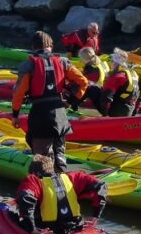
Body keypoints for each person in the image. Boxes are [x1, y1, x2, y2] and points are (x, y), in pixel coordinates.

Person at [12, 31, 89, 172]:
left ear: (33, 47)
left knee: (42, 159)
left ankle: (45, 187)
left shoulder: (28, 65)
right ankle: (63, 183)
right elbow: (83, 82)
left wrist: (15, 115)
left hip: (40, 115)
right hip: (59, 115)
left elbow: (18, 93)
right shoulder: (63, 62)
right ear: (51, 46)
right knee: (60, 155)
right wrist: (72, 100)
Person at [14, 154, 108, 234]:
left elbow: (25, 198)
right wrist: (95, 216)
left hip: (49, 232)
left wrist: (34, 231)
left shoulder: (34, 181)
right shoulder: (74, 177)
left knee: (13, 217)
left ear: (34, 172)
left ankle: (33, 230)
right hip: (76, 226)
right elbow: (101, 185)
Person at [94, 50, 140, 117]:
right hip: (128, 111)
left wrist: (105, 114)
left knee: (93, 89)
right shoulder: (133, 74)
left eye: (112, 61)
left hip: (115, 112)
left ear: (116, 63)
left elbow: (106, 98)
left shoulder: (116, 77)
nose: (111, 63)